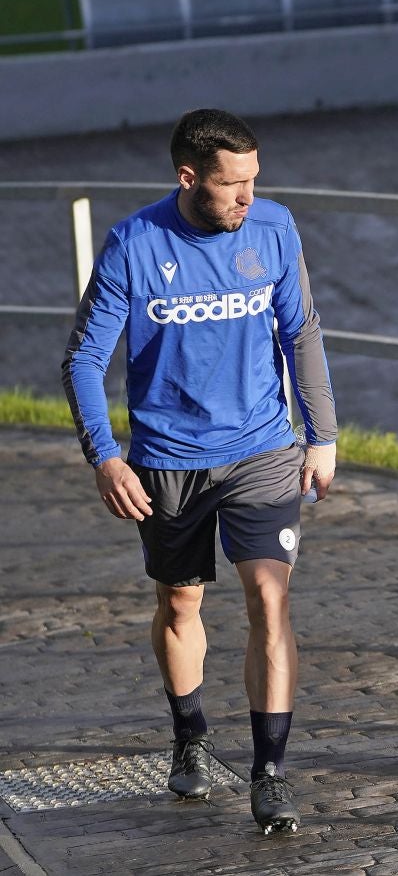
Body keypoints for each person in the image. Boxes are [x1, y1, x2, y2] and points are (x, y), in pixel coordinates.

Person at [61, 108, 338, 835]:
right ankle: (189, 733)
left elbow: (301, 331)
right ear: (189, 178)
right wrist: (106, 455)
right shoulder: (134, 244)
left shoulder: (274, 228)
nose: (249, 197)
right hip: (167, 461)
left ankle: (269, 771)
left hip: (262, 451)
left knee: (269, 602)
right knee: (181, 604)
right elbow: (85, 359)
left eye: (255, 179)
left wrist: (323, 434)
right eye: (232, 185)